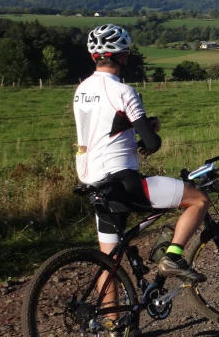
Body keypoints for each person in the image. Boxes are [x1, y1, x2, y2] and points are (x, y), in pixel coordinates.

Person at [74, 24, 209, 283]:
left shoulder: (82, 90)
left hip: (94, 183)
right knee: (199, 200)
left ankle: (113, 323)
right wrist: (150, 131)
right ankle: (173, 256)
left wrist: (136, 129)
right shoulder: (124, 92)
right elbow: (153, 143)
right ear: (123, 57)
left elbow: (106, 127)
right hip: (123, 182)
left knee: (109, 263)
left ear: (94, 56)